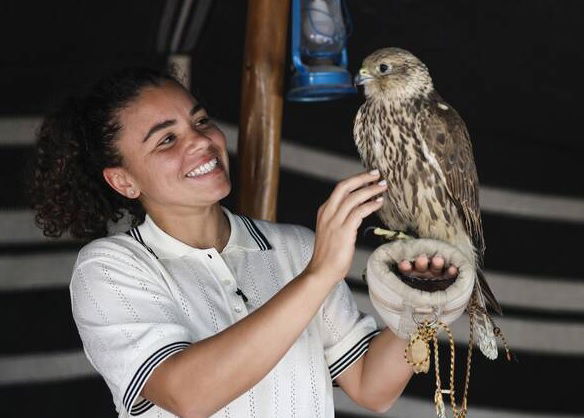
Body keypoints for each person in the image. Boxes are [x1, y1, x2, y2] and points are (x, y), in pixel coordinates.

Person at [31, 67, 458, 418]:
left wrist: (421, 303)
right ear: (123, 180)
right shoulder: (111, 268)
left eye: (200, 121)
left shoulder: (297, 248)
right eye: (166, 139)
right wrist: (319, 274)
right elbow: (189, 395)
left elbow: (371, 387)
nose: (201, 141)